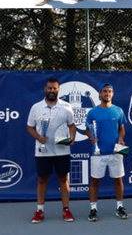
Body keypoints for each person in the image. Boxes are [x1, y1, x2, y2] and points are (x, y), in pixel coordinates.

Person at [26, 78, 77, 223]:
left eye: (54, 88)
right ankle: (39, 211)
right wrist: (38, 137)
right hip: (43, 151)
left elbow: (72, 125)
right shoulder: (36, 107)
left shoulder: (66, 107)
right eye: (50, 88)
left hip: (62, 149)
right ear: (45, 89)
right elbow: (29, 127)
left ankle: (66, 210)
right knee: (42, 179)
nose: (52, 91)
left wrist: (72, 137)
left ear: (58, 90)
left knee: (63, 178)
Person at [85, 83, 127, 221]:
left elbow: (121, 128)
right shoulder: (92, 112)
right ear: (100, 93)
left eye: (109, 91)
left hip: (115, 152)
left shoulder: (118, 110)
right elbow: (88, 129)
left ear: (112, 94)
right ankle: (93, 209)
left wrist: (121, 139)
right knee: (95, 181)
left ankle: (120, 207)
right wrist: (92, 138)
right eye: (104, 91)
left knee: (118, 180)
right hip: (98, 153)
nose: (107, 94)